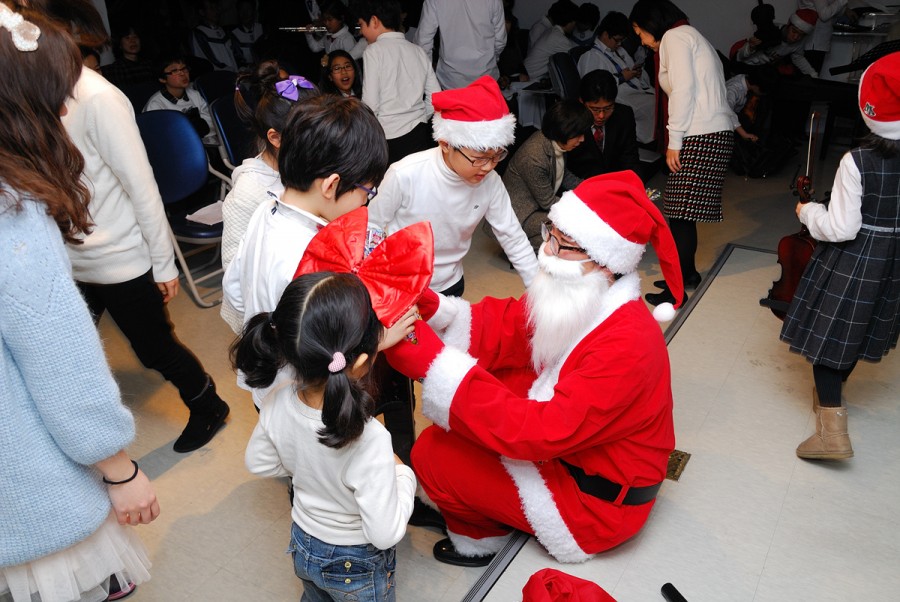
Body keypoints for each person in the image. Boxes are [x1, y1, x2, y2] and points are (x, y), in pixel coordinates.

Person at [384, 170, 681, 566]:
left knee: (434, 455)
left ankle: (481, 536)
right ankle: (486, 501)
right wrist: (437, 310)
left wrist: (436, 366)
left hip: (595, 507)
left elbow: (538, 432)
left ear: (609, 262)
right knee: (500, 373)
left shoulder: (627, 343)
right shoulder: (590, 292)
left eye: (567, 247)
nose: (548, 253)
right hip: (585, 462)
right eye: (550, 235)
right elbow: (515, 324)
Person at [0, 5, 158, 601]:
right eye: (57, 94)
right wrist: (119, 468)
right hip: (24, 478)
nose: (66, 108)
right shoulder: (12, 213)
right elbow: (57, 362)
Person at [61, 23, 230, 456]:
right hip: (69, 254)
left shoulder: (99, 99)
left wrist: (163, 262)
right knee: (70, 345)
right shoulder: (40, 99)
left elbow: (142, 187)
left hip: (118, 255)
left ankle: (208, 403)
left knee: (154, 349)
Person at [236, 273, 417, 602]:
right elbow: (385, 532)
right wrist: (403, 473)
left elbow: (258, 462)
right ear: (363, 361)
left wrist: (304, 461)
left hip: (304, 543)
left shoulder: (276, 400)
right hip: (356, 562)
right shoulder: (370, 437)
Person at [222, 94, 389, 407]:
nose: (367, 201)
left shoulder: (265, 209)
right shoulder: (311, 258)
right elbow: (329, 352)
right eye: (368, 190)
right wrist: (381, 340)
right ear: (330, 185)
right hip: (304, 399)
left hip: (268, 387)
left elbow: (233, 289)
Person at [780, 53, 900, 460]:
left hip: (856, 258)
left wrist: (807, 211)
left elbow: (841, 228)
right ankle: (829, 399)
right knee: (861, 330)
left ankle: (832, 432)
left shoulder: (858, 161)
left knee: (829, 338)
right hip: (894, 260)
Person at [367, 76, 539, 297]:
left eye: (496, 157)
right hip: (402, 283)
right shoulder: (405, 174)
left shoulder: (491, 182)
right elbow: (372, 225)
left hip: (450, 282)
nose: (487, 167)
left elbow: (512, 236)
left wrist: (537, 292)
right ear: (446, 144)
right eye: (479, 158)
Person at [631, 0, 734, 306]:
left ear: (651, 23)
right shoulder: (689, 35)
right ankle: (686, 274)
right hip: (710, 132)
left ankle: (677, 288)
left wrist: (674, 140)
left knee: (678, 213)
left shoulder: (675, 38)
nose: (640, 38)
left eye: (638, 31)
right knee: (681, 213)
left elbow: (684, 90)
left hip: (699, 134)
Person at [221, 66, 317, 332]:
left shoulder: (308, 166)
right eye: (309, 135)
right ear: (275, 137)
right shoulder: (248, 193)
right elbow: (236, 276)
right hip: (268, 320)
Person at [352, 0, 439, 164]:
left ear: (375, 21)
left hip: (388, 138)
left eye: (362, 25)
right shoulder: (418, 50)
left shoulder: (373, 51)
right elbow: (436, 97)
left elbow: (371, 104)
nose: (362, 32)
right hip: (420, 135)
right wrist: (419, 116)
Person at [502, 99, 592, 250]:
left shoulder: (556, 141)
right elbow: (548, 202)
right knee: (578, 225)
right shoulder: (534, 156)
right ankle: (522, 246)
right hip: (522, 216)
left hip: (537, 208)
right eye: (578, 134)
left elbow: (564, 175)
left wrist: (590, 189)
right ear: (564, 131)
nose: (582, 139)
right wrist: (585, 206)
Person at [577, 11, 656, 144]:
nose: (619, 44)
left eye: (621, 40)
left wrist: (636, 72)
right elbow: (593, 87)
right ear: (606, 34)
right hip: (617, 96)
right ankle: (650, 141)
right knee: (653, 104)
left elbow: (631, 69)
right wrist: (621, 77)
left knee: (660, 98)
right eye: (617, 40)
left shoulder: (619, 51)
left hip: (632, 90)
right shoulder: (591, 56)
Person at [566, 69, 641, 180]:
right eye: (595, 109)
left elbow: (630, 158)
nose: (601, 115)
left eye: (608, 108)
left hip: (615, 182)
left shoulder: (624, 115)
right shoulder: (569, 120)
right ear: (582, 102)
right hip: (581, 184)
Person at [414, 0, 506, 90]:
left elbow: (423, 41)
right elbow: (500, 40)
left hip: (450, 80)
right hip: (486, 77)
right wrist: (492, 60)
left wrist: (428, 75)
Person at [143, 55, 219, 147]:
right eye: (174, 71)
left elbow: (211, 123)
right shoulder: (155, 105)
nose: (182, 73)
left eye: (184, 68)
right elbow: (158, 138)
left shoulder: (195, 94)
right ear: (162, 79)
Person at [733, 8, 819, 78]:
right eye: (794, 31)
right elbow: (739, 56)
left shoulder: (798, 42)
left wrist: (813, 75)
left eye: (801, 35)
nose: (796, 37)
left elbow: (798, 57)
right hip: (744, 67)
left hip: (763, 71)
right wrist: (750, 47)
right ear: (789, 24)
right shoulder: (769, 31)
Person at [523, 0, 576, 82]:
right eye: (574, 21)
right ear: (569, 21)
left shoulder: (552, 31)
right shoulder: (559, 38)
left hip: (528, 73)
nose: (575, 25)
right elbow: (575, 60)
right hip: (529, 78)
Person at [797, 0, 848, 74]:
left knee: (811, 75)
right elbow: (824, 15)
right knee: (810, 76)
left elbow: (835, 13)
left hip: (817, 41)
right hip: (814, 41)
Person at [190, 0, 239, 72]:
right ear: (202, 12)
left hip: (234, 73)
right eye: (211, 8)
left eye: (216, 7)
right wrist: (228, 69)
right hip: (216, 76)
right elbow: (205, 60)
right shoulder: (199, 33)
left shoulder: (222, 30)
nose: (216, 11)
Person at [230, 0, 263, 67]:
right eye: (241, 9)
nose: (245, 13)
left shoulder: (261, 28)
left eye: (248, 9)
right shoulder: (234, 34)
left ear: (254, 11)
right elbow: (238, 60)